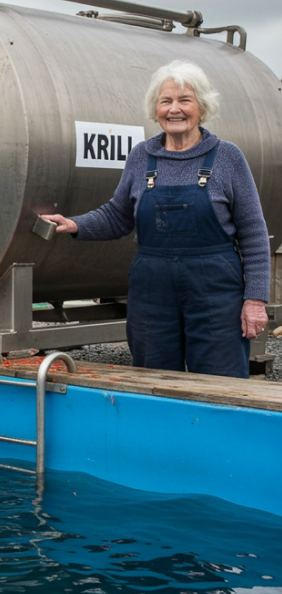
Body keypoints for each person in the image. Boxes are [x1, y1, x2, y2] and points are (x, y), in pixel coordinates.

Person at [41, 60, 270, 378]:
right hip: (153, 292)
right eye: (166, 101)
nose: (174, 109)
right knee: (152, 377)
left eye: (184, 100)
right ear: (156, 109)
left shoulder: (228, 157)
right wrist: (77, 224)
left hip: (215, 291)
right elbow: (118, 215)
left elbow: (254, 233)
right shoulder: (140, 157)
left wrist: (255, 300)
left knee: (221, 382)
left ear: (201, 108)